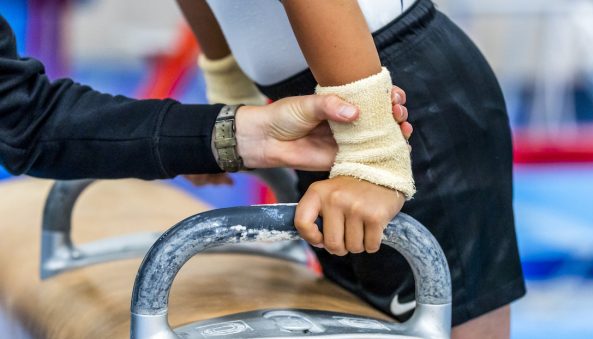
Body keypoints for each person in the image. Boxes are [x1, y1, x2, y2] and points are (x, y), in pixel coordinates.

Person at [177, 0, 526, 338]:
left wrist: (373, 153)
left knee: (449, 321)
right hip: (328, 102)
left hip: (389, 97)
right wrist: (231, 87)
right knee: (353, 313)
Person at [0, 14, 410, 180]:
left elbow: (25, 119)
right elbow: (23, 123)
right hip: (325, 89)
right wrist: (229, 96)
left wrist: (373, 151)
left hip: (375, 86)